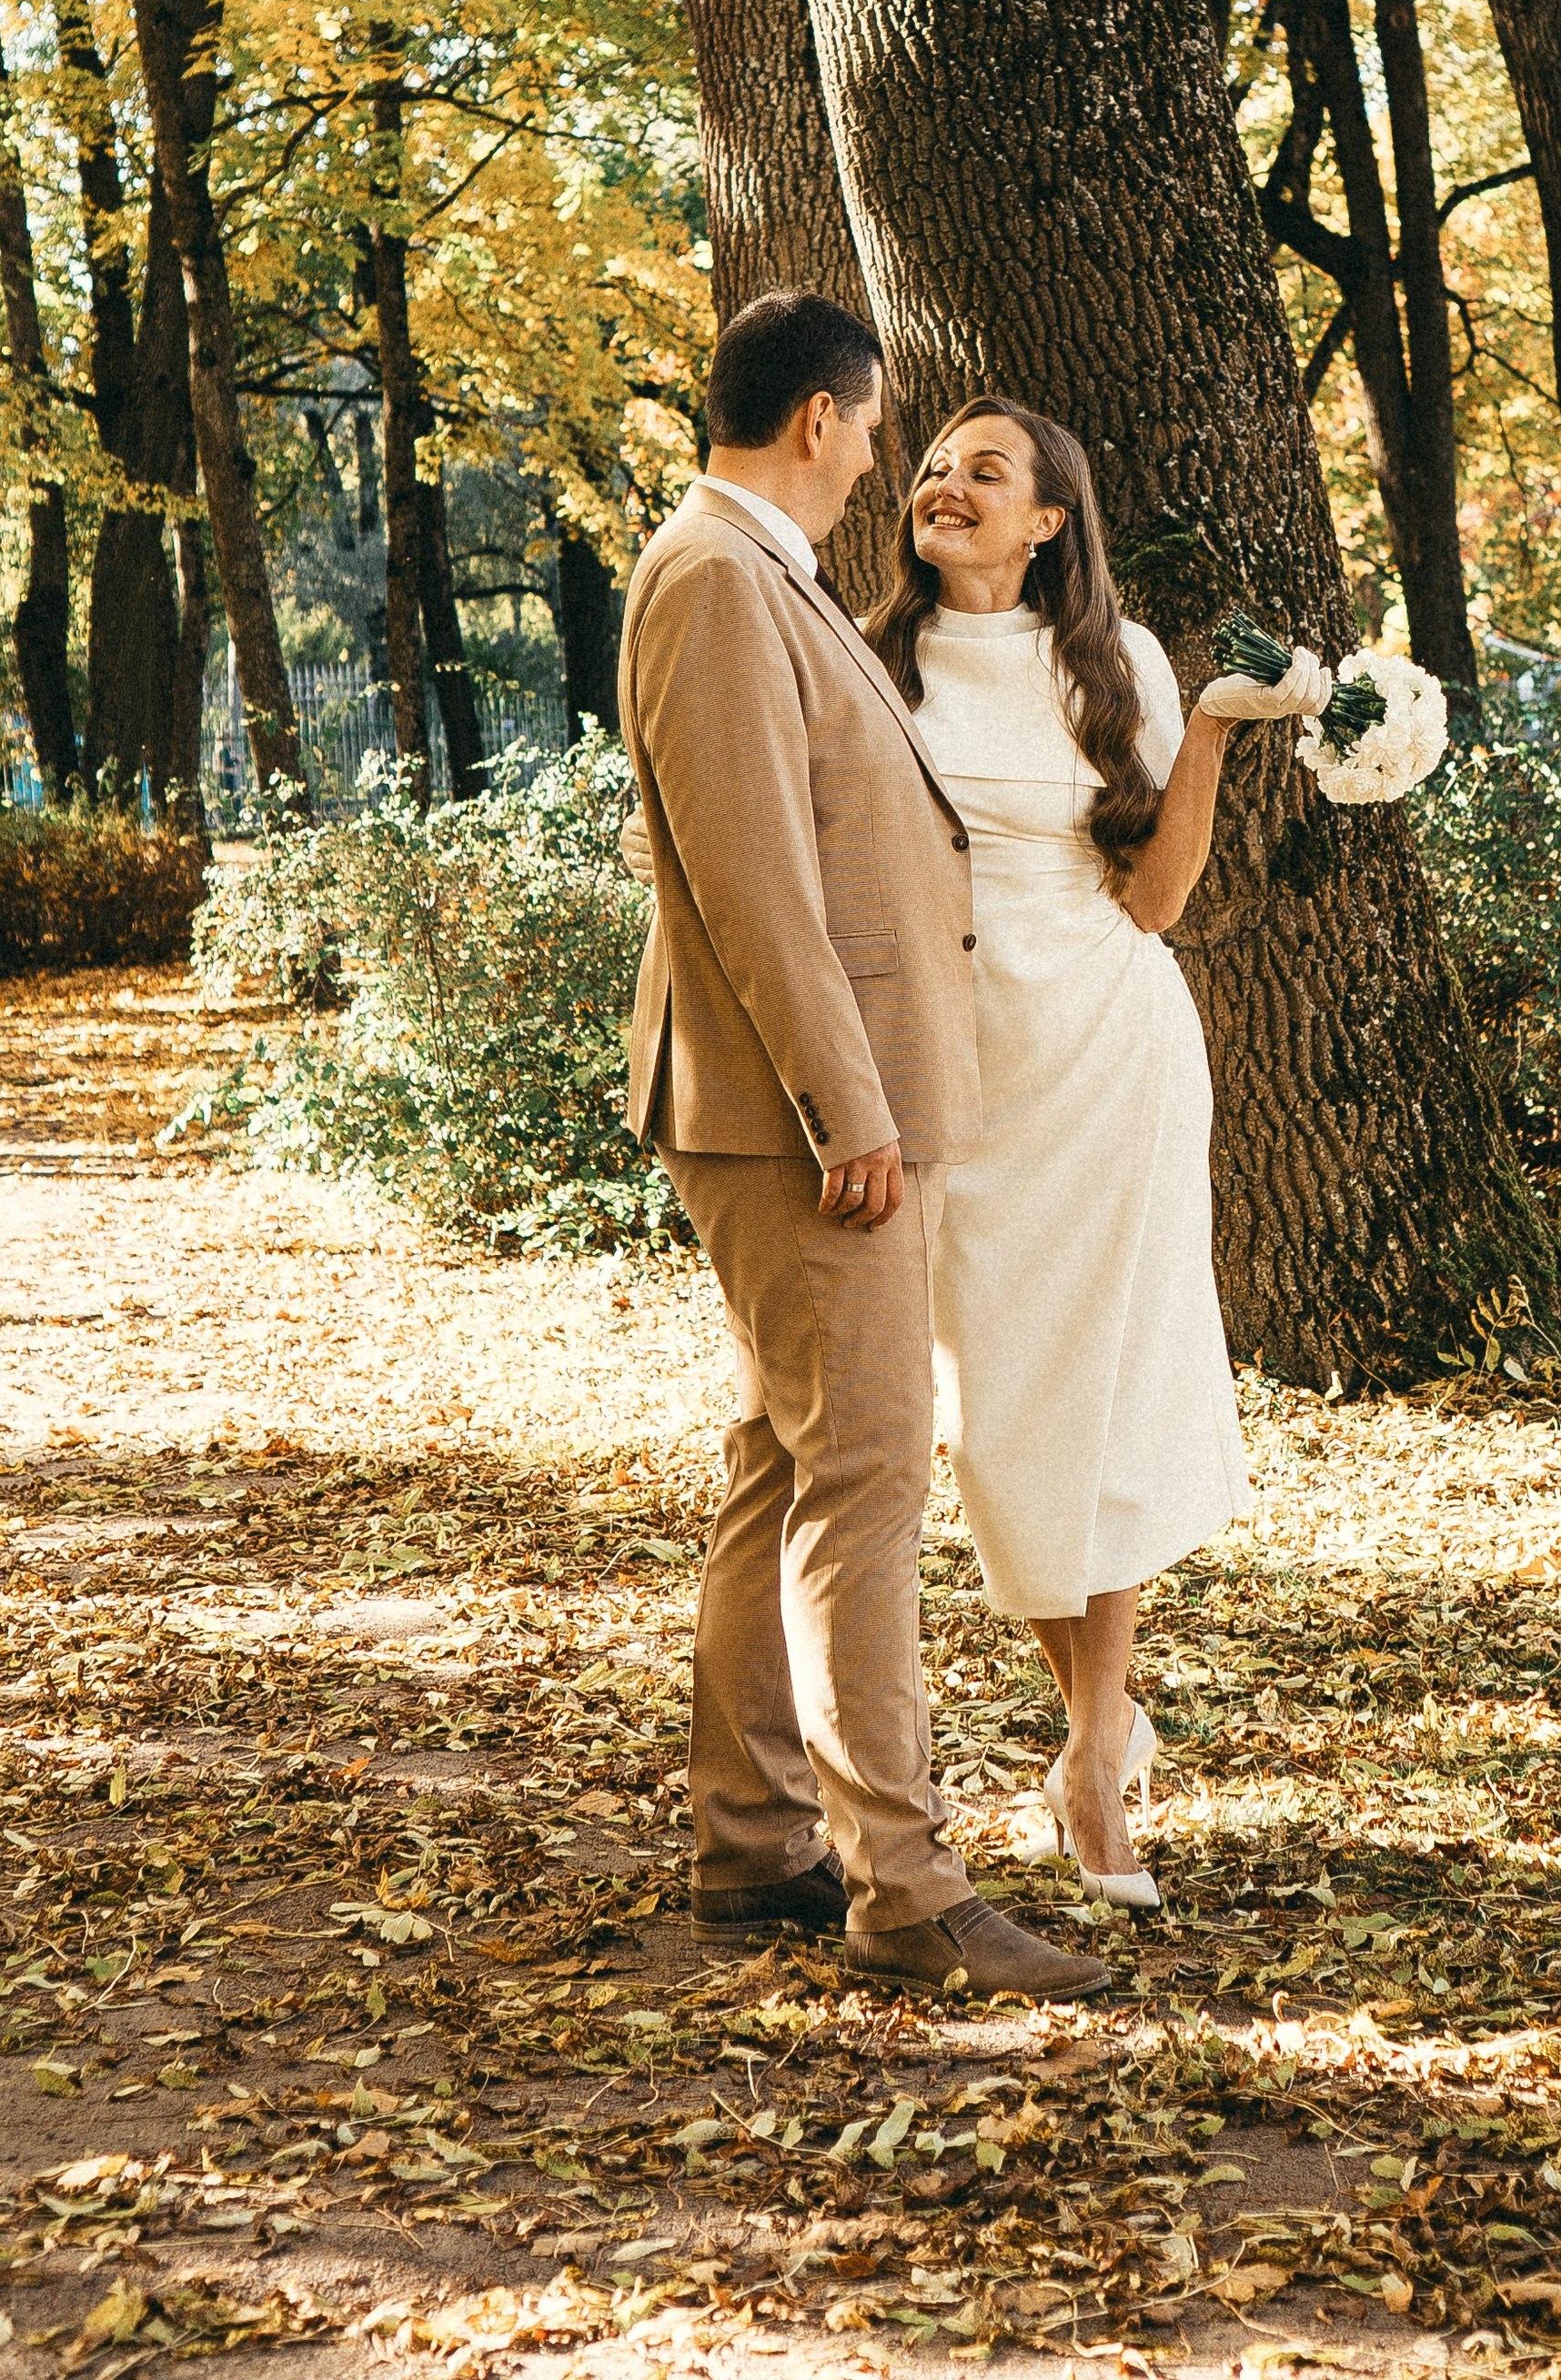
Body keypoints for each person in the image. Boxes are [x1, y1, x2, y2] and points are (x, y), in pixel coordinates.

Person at [618, 293, 1109, 2000]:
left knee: (787, 1467)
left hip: (813, 1109)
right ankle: (903, 1888)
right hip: (801, 1122)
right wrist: (850, 1111)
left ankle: (753, 1843)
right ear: (821, 420)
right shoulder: (716, 579)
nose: (885, 456)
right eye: (881, 423)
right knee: (870, 1482)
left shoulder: (764, 575)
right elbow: (753, 879)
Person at [865, 398, 1331, 1906]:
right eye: (935, 466)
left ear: (1049, 519)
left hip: (1110, 1058)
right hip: (956, 1076)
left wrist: (1211, 730)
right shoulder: (868, 659)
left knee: (1106, 1399)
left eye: (983, 471)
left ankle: (1086, 1762)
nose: (946, 484)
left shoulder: (1111, 663)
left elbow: (1158, 901)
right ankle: (1105, 1717)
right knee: (997, 1420)